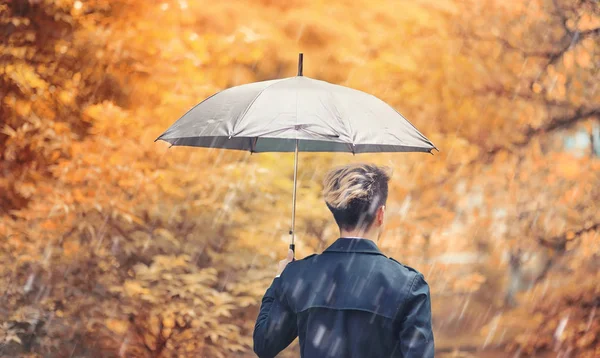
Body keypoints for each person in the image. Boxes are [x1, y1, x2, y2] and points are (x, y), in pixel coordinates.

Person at [253, 163, 434, 358]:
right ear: (380, 214)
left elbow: (264, 344)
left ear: (337, 214)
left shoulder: (299, 276)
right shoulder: (408, 285)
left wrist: (282, 276)